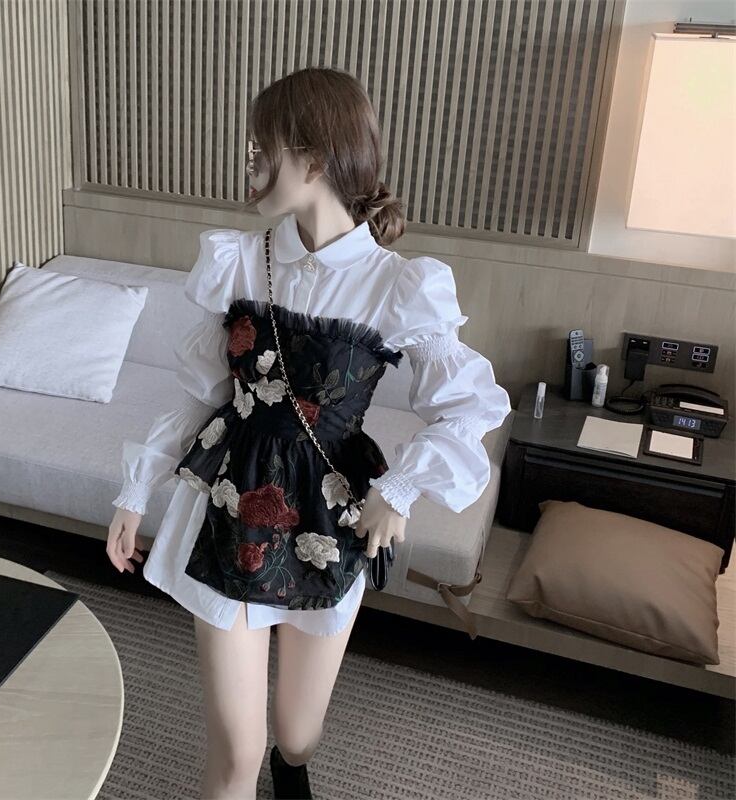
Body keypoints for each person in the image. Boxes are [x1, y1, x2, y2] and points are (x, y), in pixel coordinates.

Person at [106, 66, 511, 800]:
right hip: (228, 511)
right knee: (235, 753)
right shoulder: (236, 260)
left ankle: (291, 766)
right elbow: (202, 394)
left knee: (296, 735)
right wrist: (136, 489)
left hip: (330, 517)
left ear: (316, 160)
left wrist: (399, 490)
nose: (249, 167)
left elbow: (471, 406)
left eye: (261, 150)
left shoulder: (397, 286)